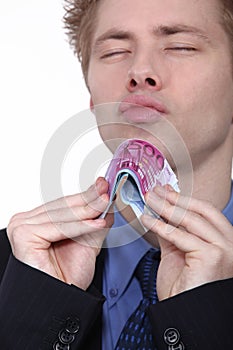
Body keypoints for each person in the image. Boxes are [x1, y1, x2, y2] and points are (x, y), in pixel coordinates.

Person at [0, 0, 233, 349]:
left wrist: (206, 318)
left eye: (180, 46)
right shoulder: (15, 273)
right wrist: (35, 315)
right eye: (114, 51)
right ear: (92, 96)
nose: (140, 70)